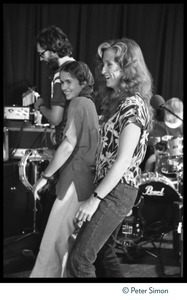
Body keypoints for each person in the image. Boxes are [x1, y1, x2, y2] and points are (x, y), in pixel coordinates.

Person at [66, 37, 154, 278]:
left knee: (79, 261)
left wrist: (95, 199)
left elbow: (124, 161)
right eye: (103, 65)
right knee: (103, 254)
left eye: (110, 65)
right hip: (112, 188)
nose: (103, 71)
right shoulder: (120, 103)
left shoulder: (133, 106)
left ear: (128, 69)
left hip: (117, 190)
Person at [29, 61, 99, 277]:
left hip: (73, 181)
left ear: (83, 82)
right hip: (83, 181)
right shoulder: (89, 104)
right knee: (66, 245)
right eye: (62, 82)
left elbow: (69, 146)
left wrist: (45, 176)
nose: (64, 87)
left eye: (69, 81)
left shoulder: (78, 103)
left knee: (52, 245)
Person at [34, 25, 75, 146]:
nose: (41, 59)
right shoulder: (75, 68)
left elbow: (56, 118)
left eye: (42, 54)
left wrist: (40, 106)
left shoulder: (61, 74)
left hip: (67, 143)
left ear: (53, 49)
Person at [143, 97, 183, 172]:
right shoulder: (160, 126)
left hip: (179, 155)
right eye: (165, 111)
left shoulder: (181, 127)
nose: (165, 113)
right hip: (162, 154)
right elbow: (150, 141)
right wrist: (154, 141)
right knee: (150, 161)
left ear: (176, 113)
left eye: (168, 112)